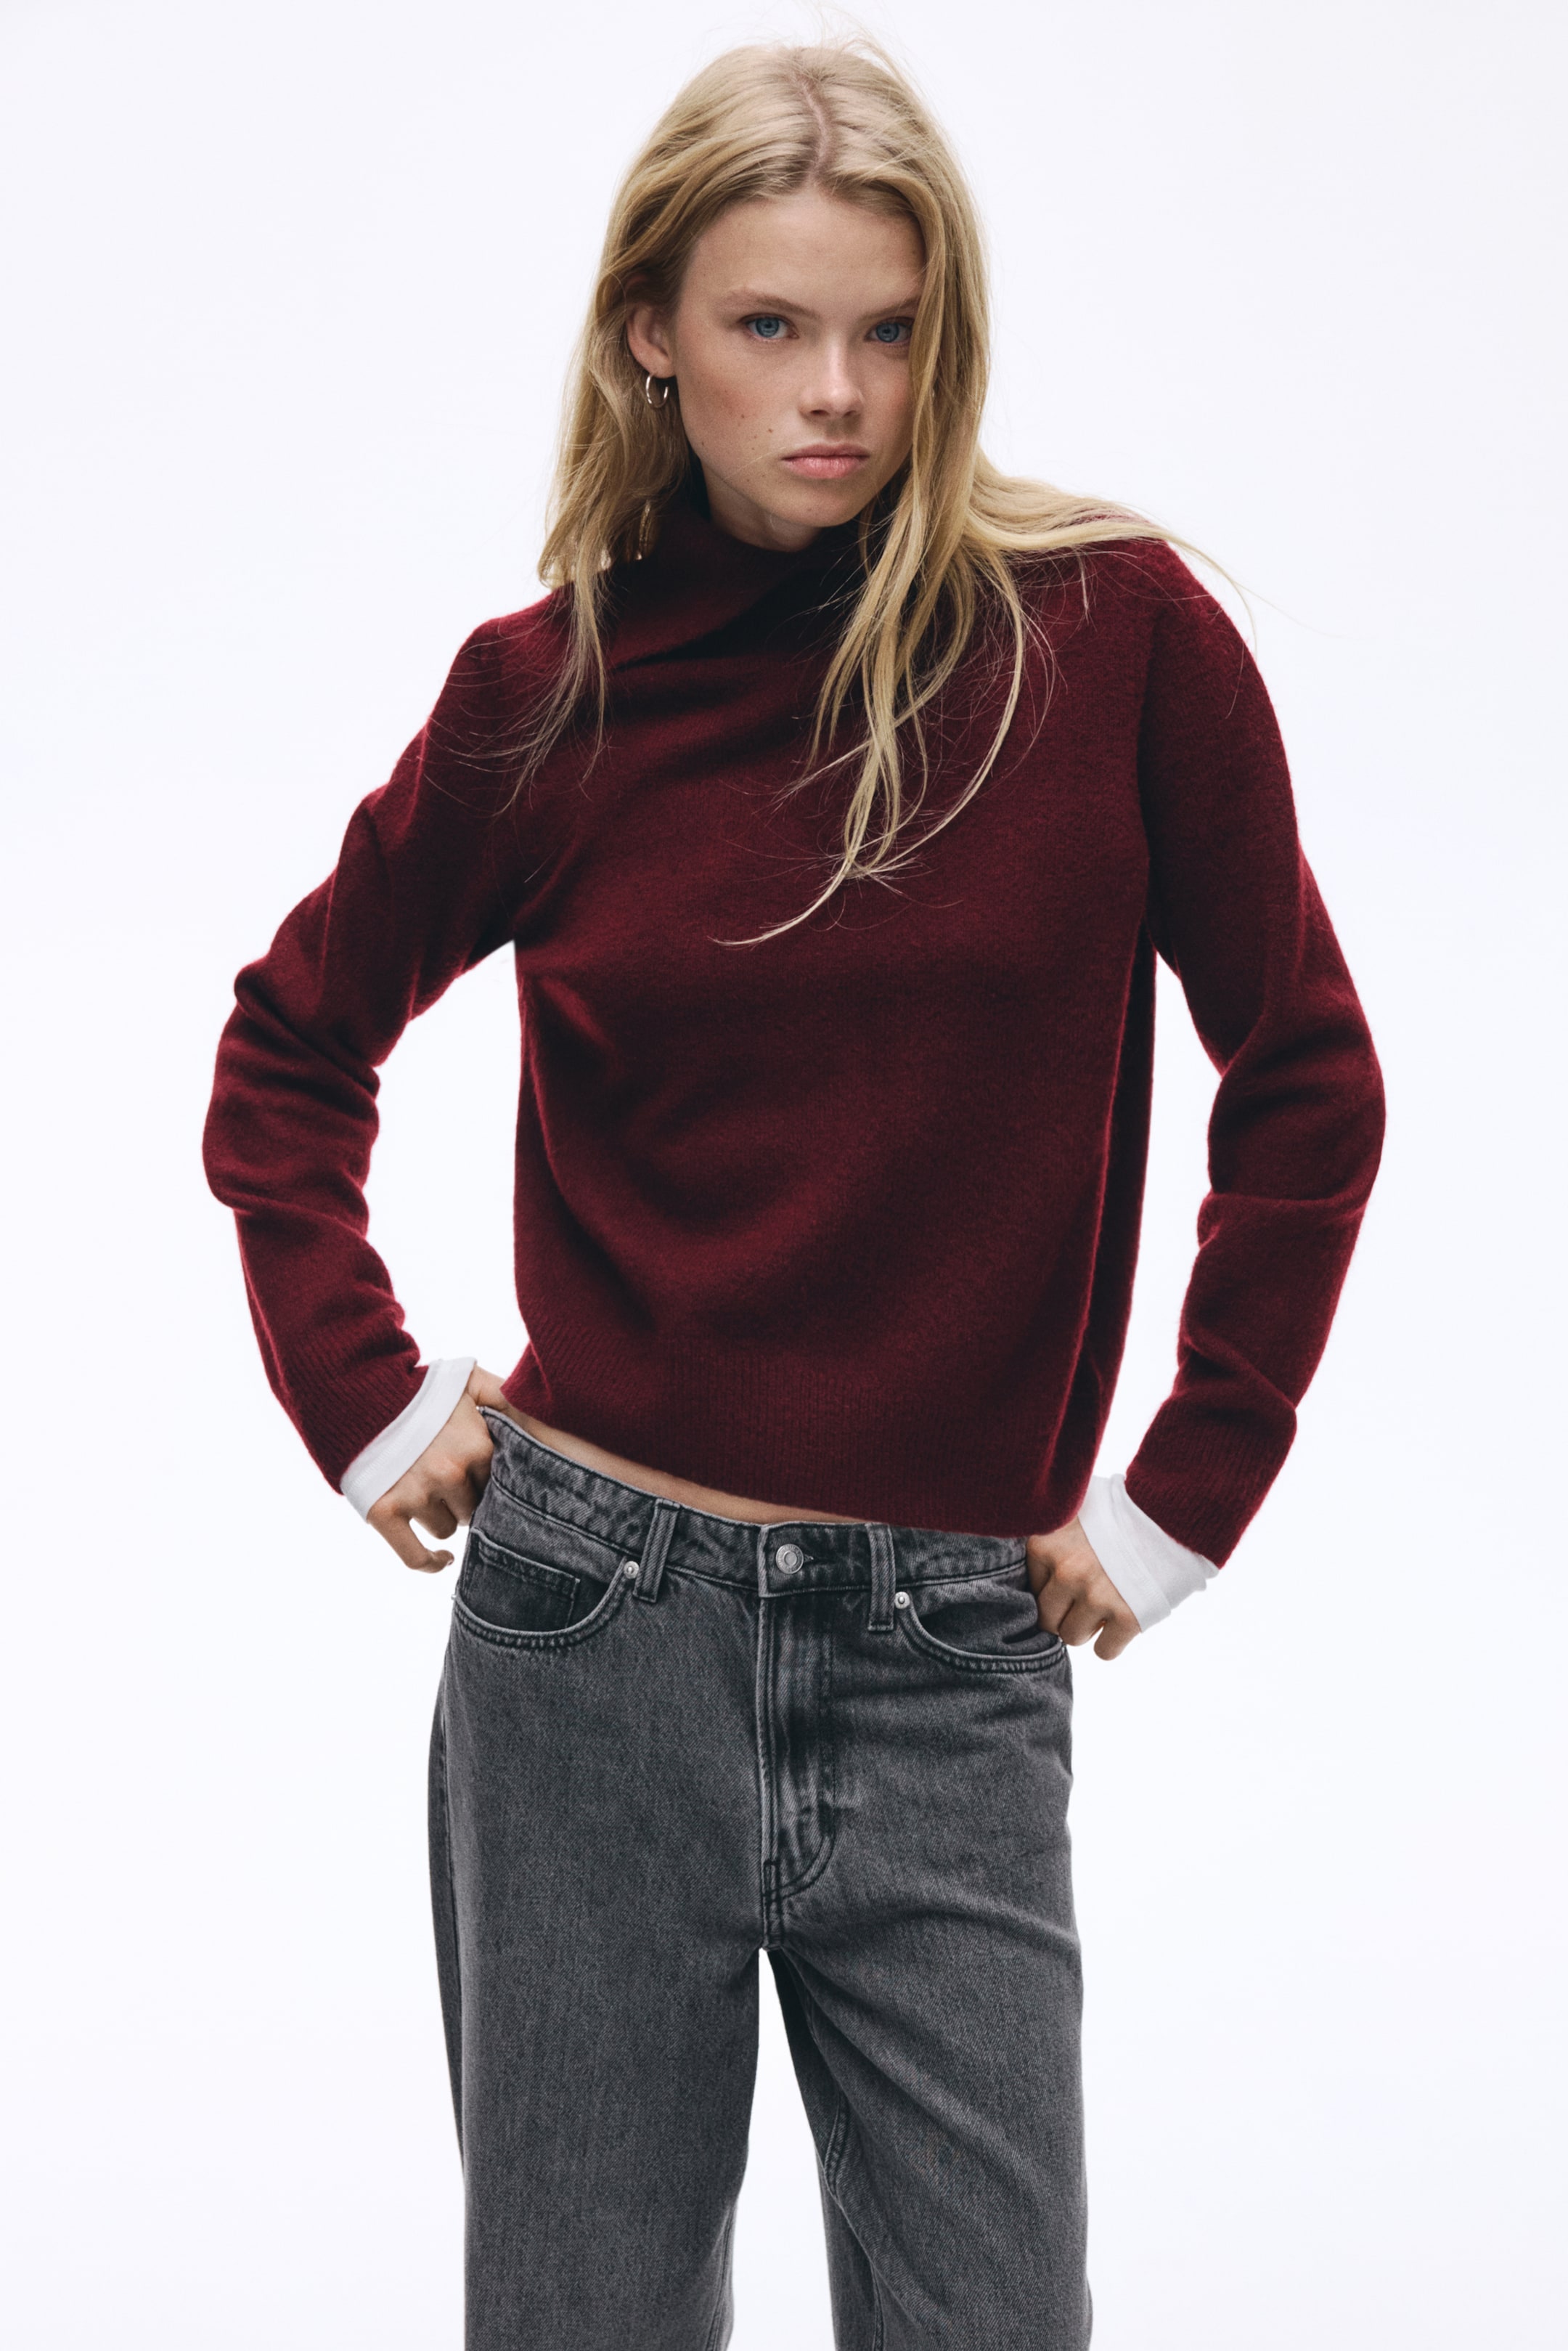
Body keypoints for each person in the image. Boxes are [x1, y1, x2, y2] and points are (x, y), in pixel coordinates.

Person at [203, 36, 1385, 2351]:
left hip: (953, 1651)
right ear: (653, 332)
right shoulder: (548, 700)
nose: (838, 392)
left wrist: (1185, 1491)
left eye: (891, 329)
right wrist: (364, 1391)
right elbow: (288, 1048)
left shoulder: (1119, 641)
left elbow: (1310, 1076)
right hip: (588, 1640)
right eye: (771, 326)